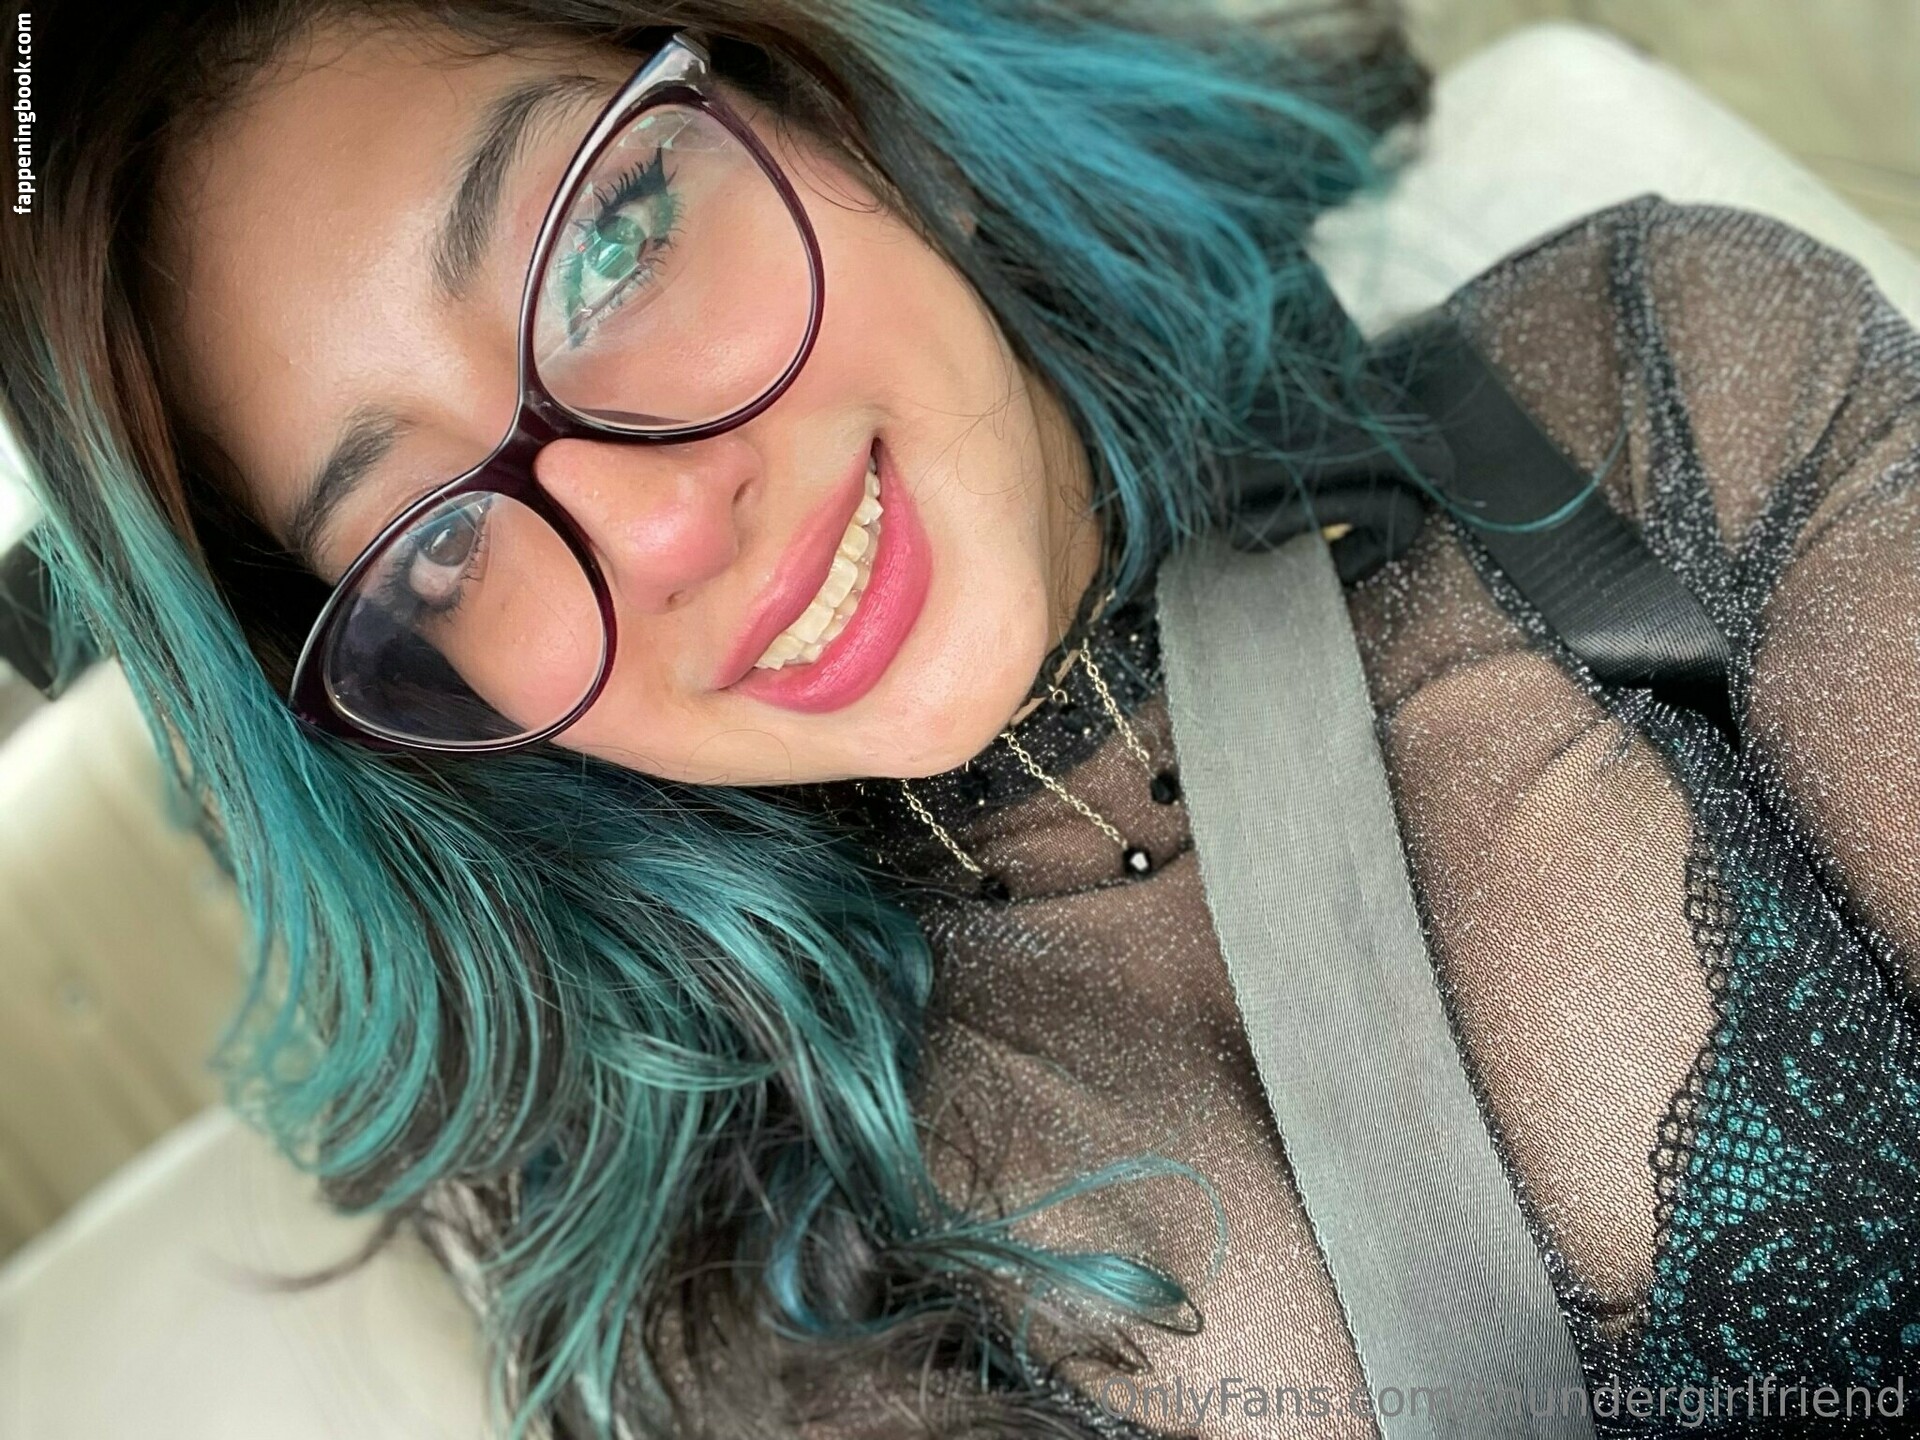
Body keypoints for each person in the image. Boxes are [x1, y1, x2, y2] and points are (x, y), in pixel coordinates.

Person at [3, 2, 1917, 1436]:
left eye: (609, 246)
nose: (657, 529)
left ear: (833, 101)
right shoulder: (718, 1247)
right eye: (433, 543)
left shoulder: (1651, 393)